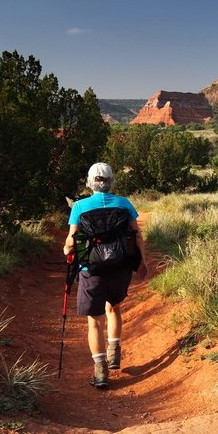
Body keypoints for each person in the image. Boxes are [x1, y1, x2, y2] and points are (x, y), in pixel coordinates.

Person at [63, 162, 147, 388]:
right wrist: (143, 263)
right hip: (121, 268)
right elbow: (137, 236)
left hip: (93, 271)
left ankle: (100, 373)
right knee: (114, 308)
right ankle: (114, 354)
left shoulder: (79, 207)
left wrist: (66, 250)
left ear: (90, 181)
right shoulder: (124, 203)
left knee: (95, 322)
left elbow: (72, 241)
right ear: (111, 181)